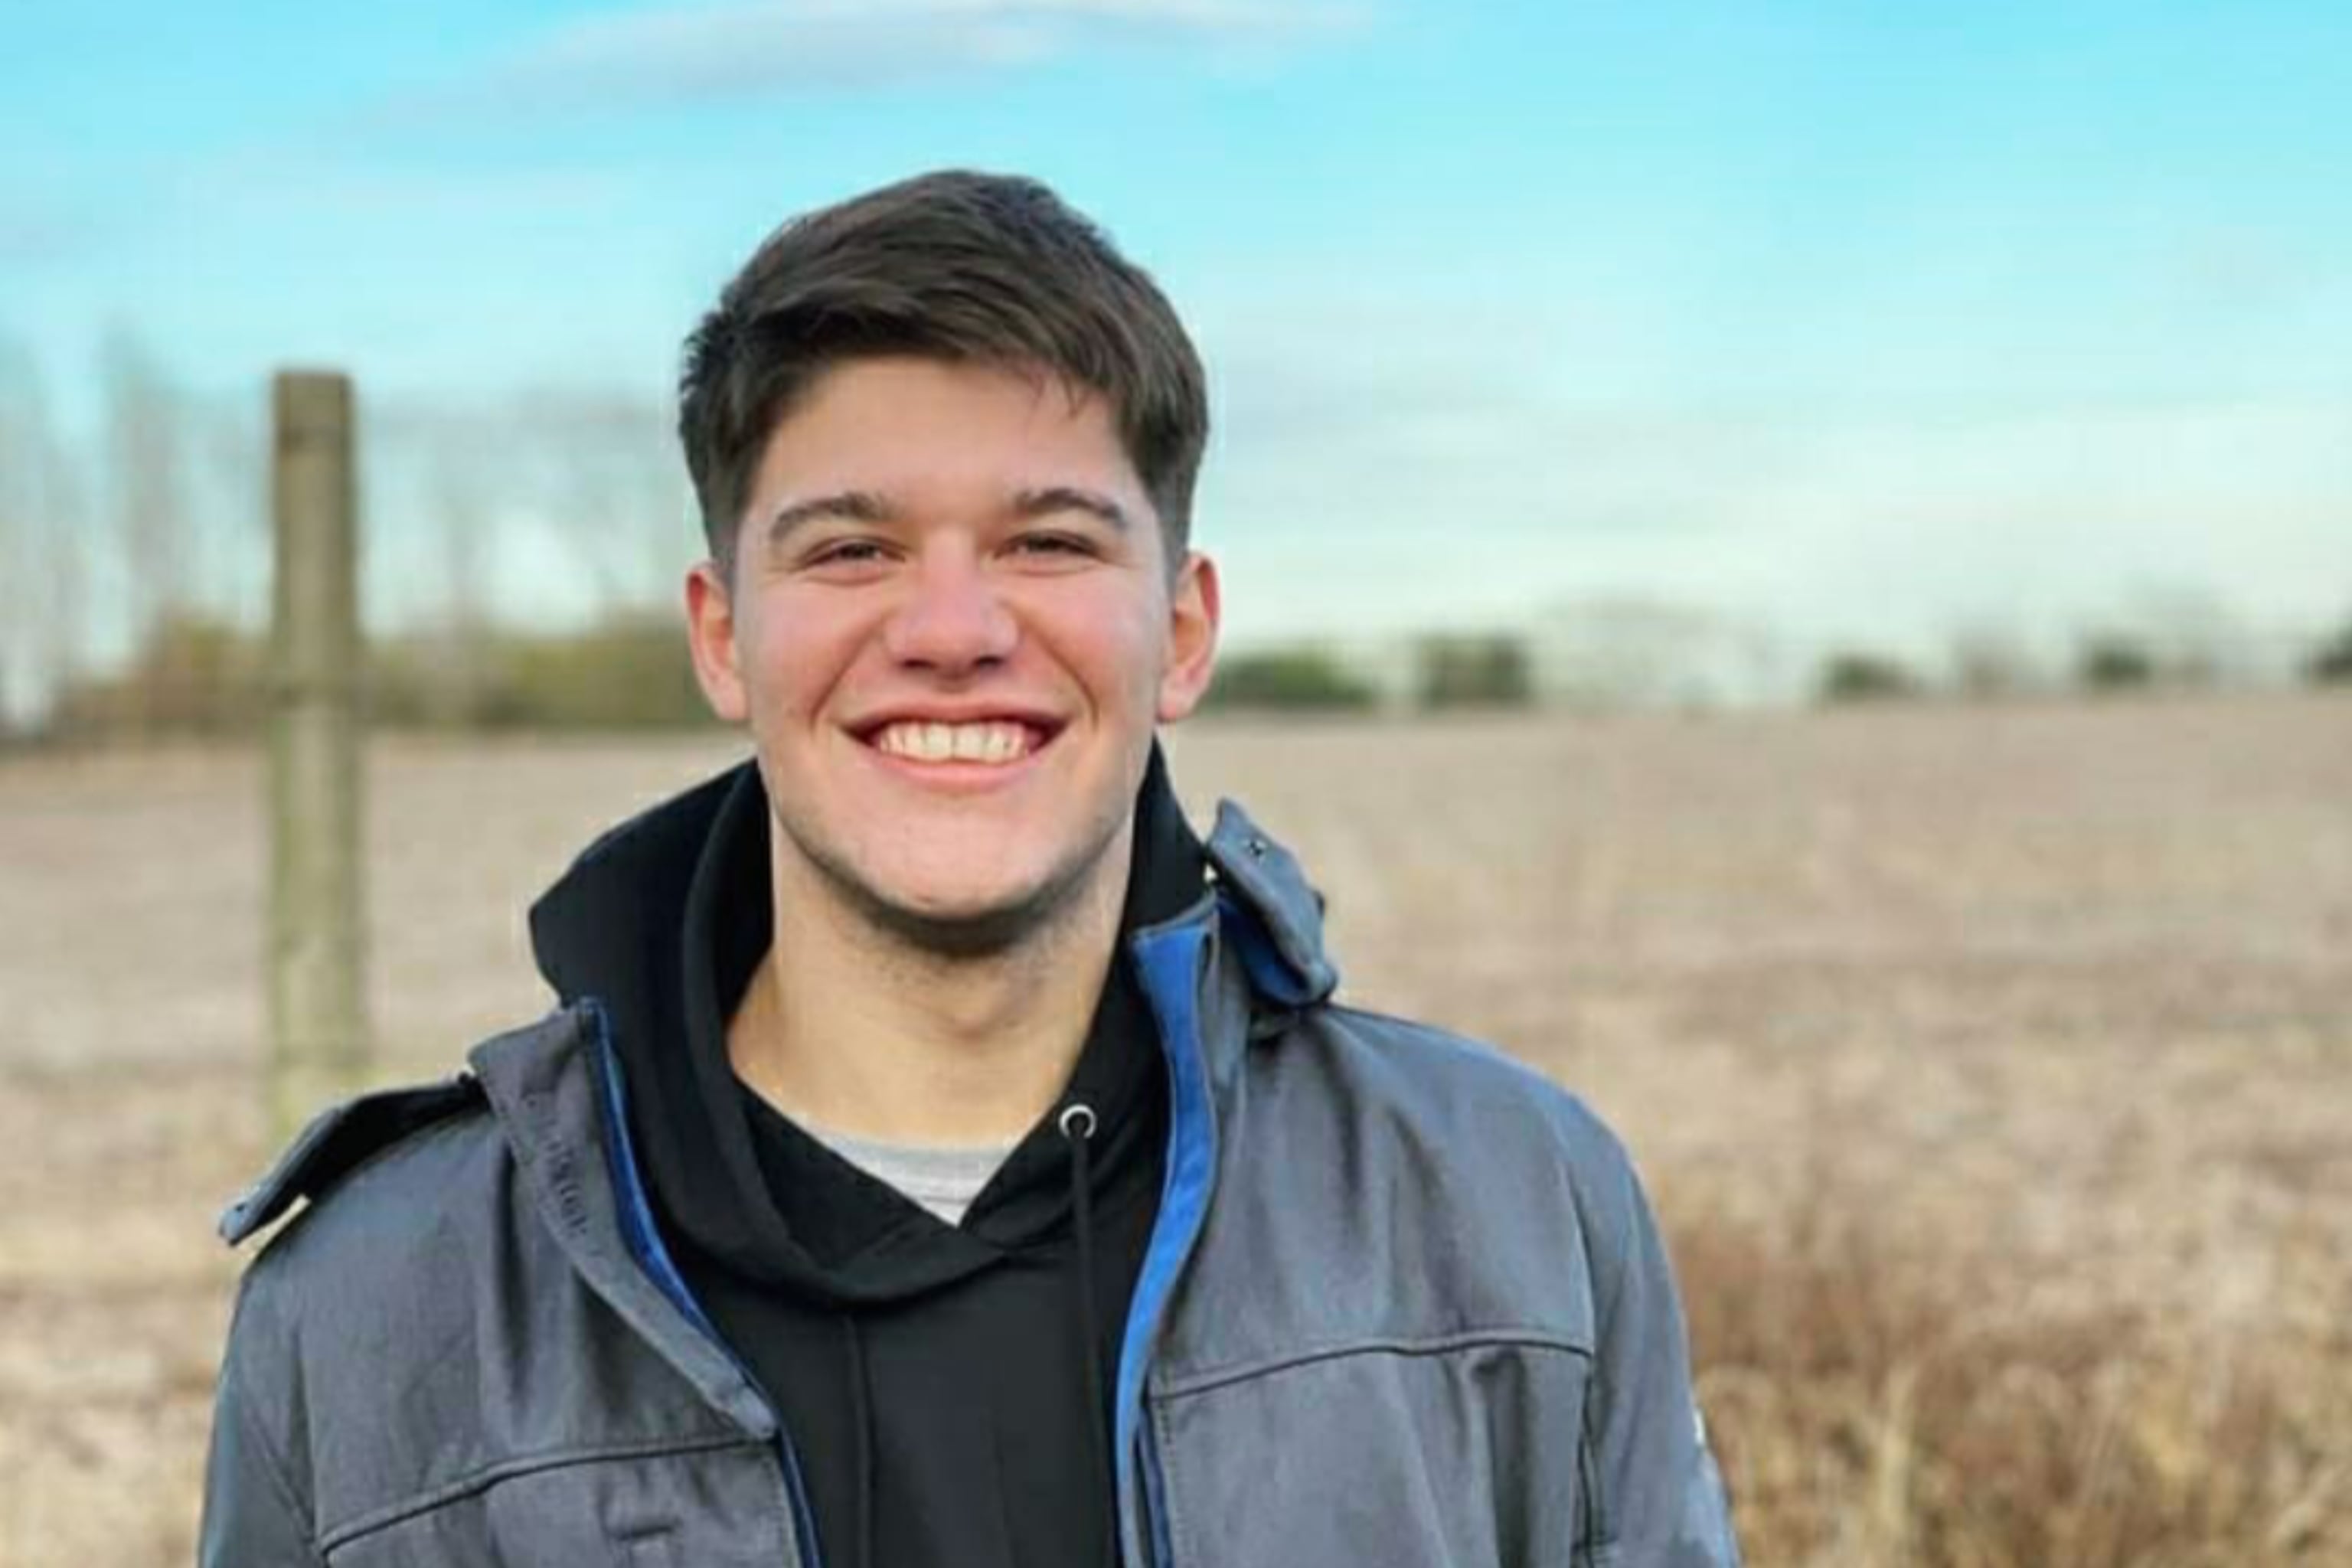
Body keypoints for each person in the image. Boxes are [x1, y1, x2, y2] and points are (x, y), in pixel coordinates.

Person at [198, 169, 1742, 1568]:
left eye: (1050, 542)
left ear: (1183, 631)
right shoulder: (371, 1313)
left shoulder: (1512, 1208)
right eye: (851, 550)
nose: (951, 631)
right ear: (723, 632)